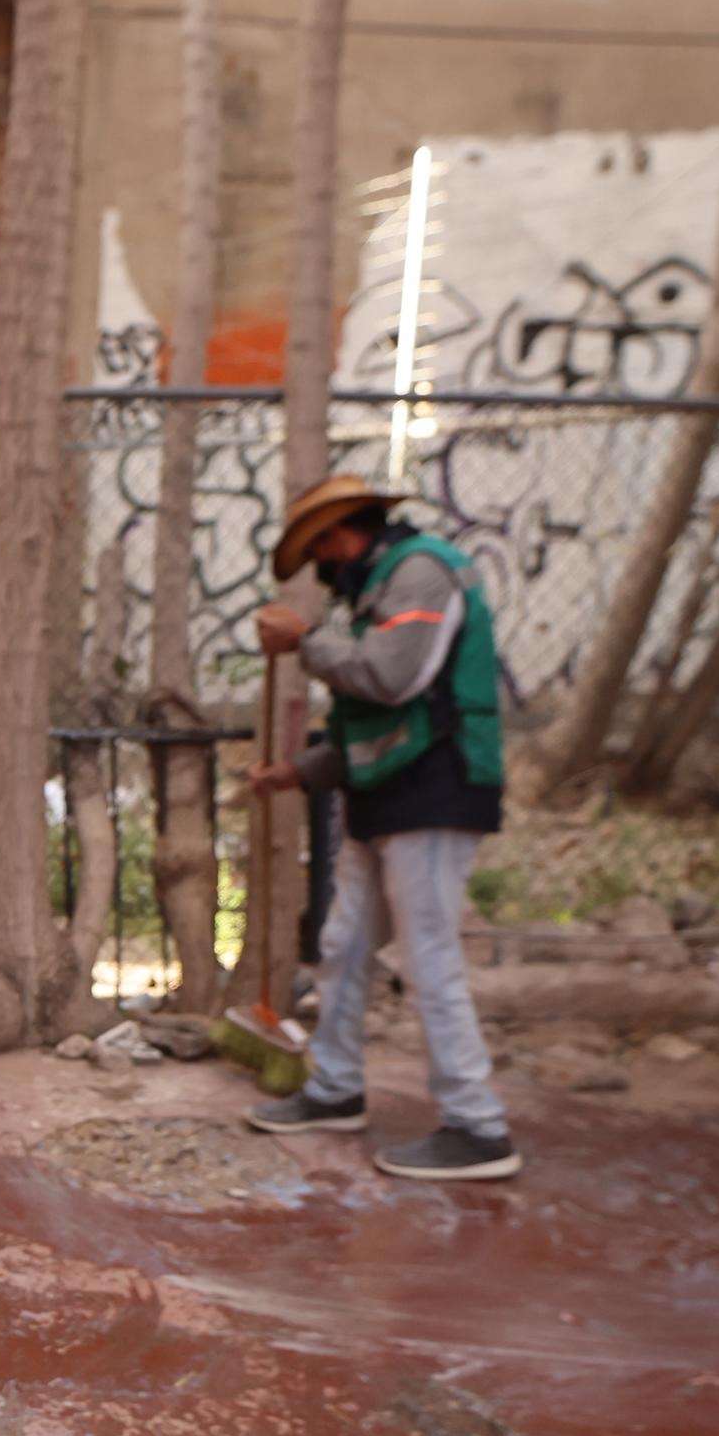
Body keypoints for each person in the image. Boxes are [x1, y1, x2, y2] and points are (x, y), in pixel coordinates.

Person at [244, 473, 521, 1181]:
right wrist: (297, 773)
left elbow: (391, 678)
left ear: (340, 535)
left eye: (319, 553)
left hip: (435, 788)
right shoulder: (380, 587)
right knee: (344, 947)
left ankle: (478, 1126)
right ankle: (335, 1088)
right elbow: (376, 721)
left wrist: (306, 640)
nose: (320, 570)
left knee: (428, 955)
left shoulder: (422, 572)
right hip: (387, 791)